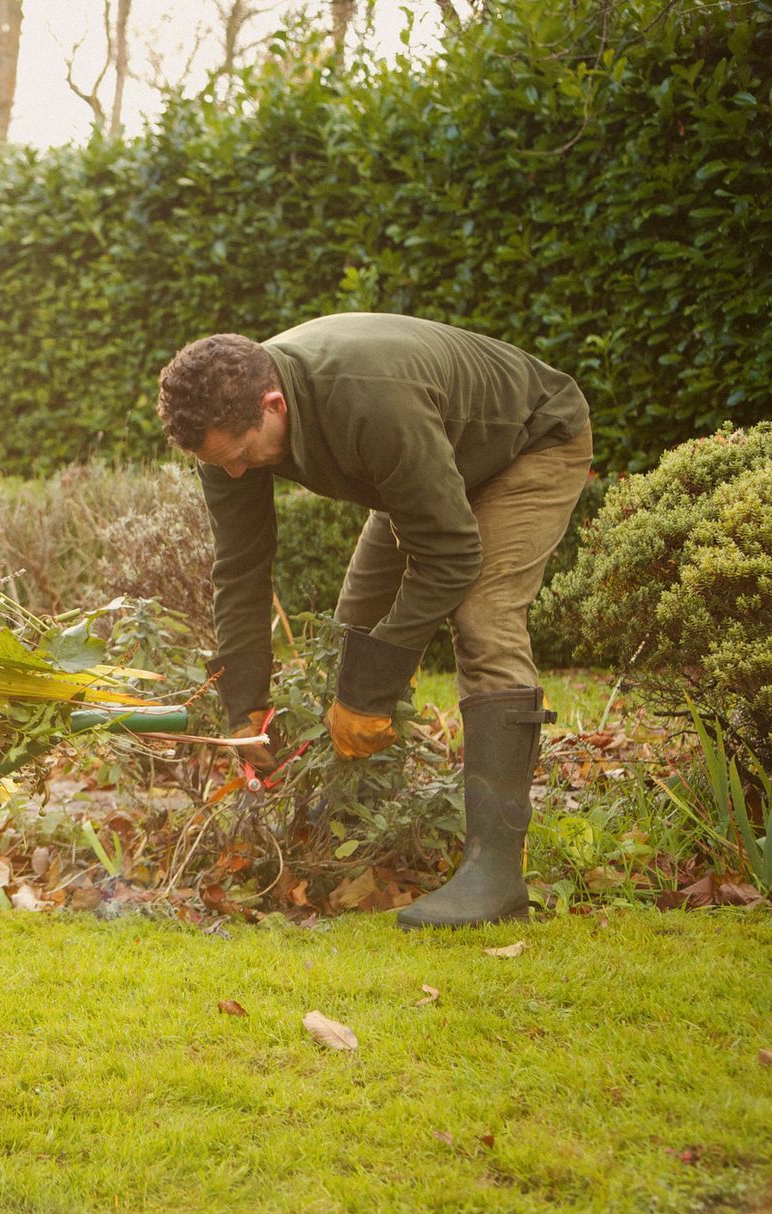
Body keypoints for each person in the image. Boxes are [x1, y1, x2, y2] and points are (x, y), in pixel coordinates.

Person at [155, 313, 593, 928]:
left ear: (274, 403)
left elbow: (451, 553)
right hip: (428, 463)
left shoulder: (369, 401)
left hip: (528, 444)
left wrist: (370, 693)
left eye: (244, 456)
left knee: (483, 621)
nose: (236, 473)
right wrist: (244, 706)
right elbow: (241, 567)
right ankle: (364, 833)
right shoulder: (224, 438)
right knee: (351, 629)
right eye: (221, 463)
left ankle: (496, 876)